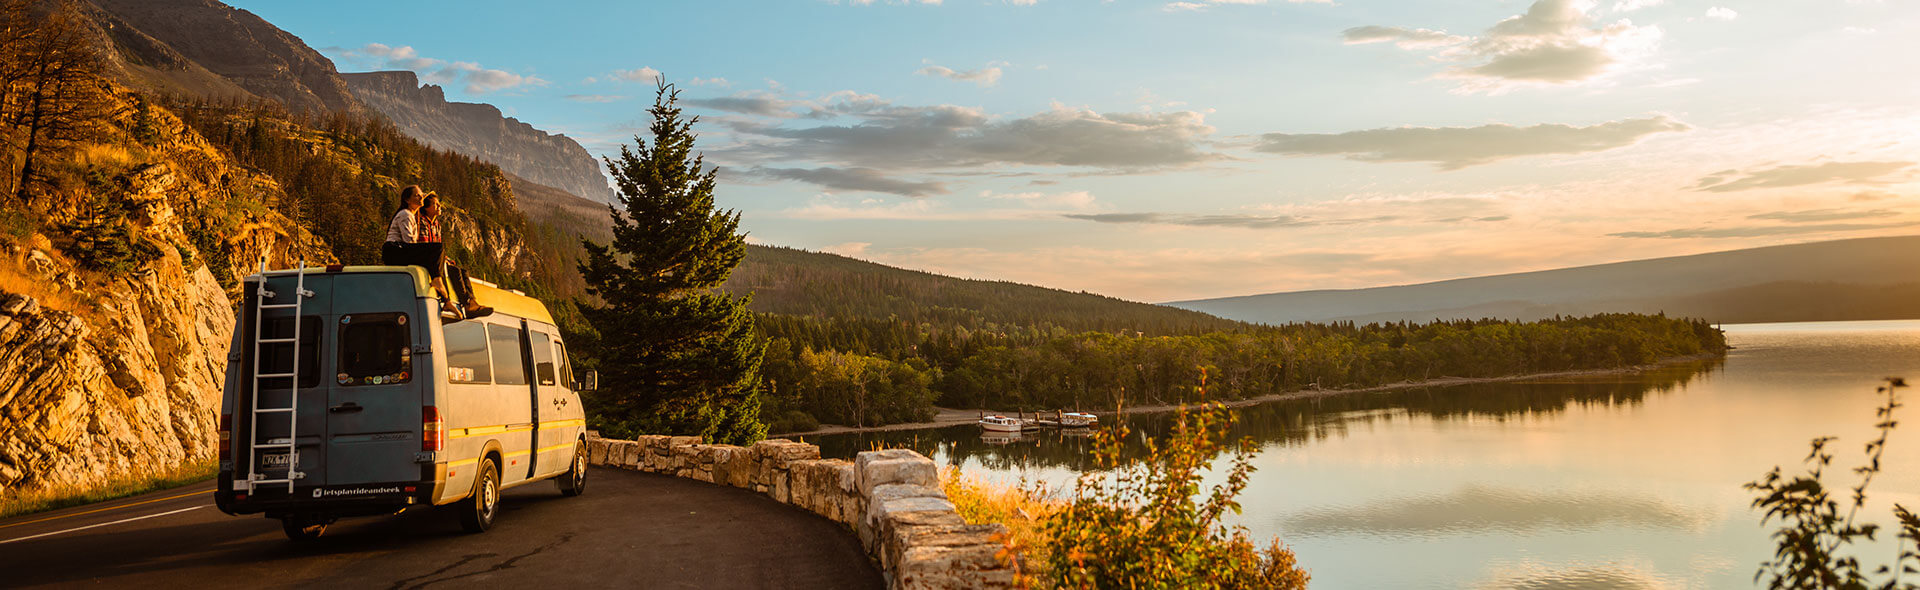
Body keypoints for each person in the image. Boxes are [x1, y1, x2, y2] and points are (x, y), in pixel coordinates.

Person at [418, 194, 491, 319]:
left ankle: (472, 301)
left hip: (435, 258)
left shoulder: (436, 224)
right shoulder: (423, 223)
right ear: (427, 208)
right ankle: (467, 304)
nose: (439, 206)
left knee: (463, 271)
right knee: (455, 271)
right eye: (435, 204)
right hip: (428, 259)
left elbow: (437, 247)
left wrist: (445, 258)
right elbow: (425, 246)